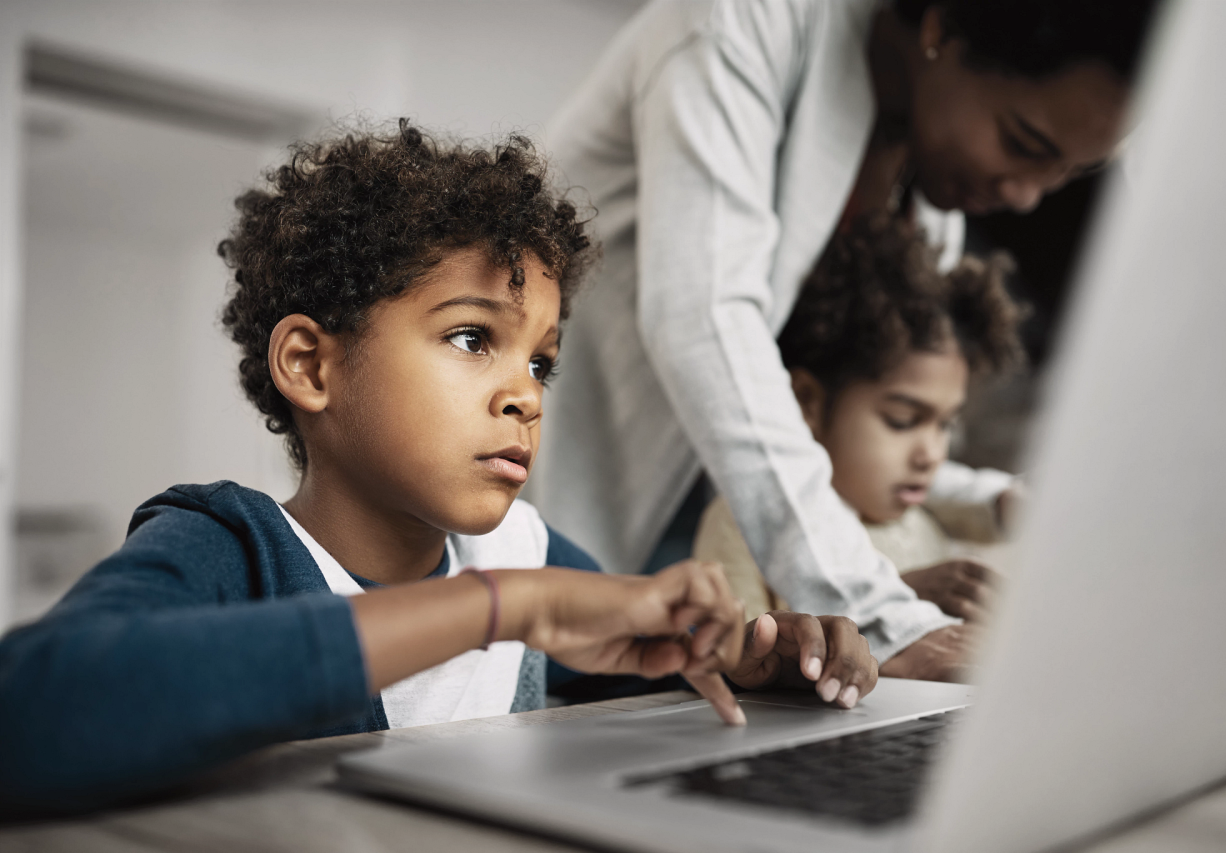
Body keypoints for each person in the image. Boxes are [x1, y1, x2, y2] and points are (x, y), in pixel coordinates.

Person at [0, 123, 878, 817]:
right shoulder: (232, 546)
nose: (525, 397)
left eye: (541, 362)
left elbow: (646, 665)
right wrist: (501, 609)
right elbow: (31, 714)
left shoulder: (522, 553)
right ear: (310, 364)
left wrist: (758, 659)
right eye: (471, 337)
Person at [530, 0, 1159, 679]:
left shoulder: (925, 174)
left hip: (705, 596)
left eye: (1067, 172)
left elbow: (848, 438)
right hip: (580, 533)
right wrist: (884, 614)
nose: (1029, 195)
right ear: (940, 27)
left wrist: (988, 503)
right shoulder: (739, 23)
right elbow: (705, 323)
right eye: (1024, 144)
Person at [694, 216, 1025, 626]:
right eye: (902, 421)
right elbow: (732, 662)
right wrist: (897, 603)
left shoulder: (922, 515)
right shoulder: (741, 523)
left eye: (945, 426)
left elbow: (986, 502)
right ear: (807, 402)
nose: (931, 455)